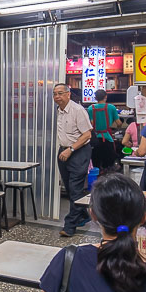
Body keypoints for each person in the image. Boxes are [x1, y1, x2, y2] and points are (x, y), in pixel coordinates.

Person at [53, 83, 93, 237]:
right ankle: (83, 215)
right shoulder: (59, 111)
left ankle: (70, 226)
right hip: (64, 151)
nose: (57, 97)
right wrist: (65, 150)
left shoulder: (78, 110)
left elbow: (87, 135)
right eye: (55, 94)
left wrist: (71, 149)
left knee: (75, 189)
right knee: (70, 189)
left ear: (68, 94)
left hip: (78, 151)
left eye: (60, 93)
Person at [86, 89, 123, 172]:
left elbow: (90, 123)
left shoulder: (90, 108)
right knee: (109, 166)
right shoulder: (111, 107)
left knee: (96, 165)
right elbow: (119, 123)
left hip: (95, 139)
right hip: (107, 138)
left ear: (95, 98)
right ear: (106, 96)